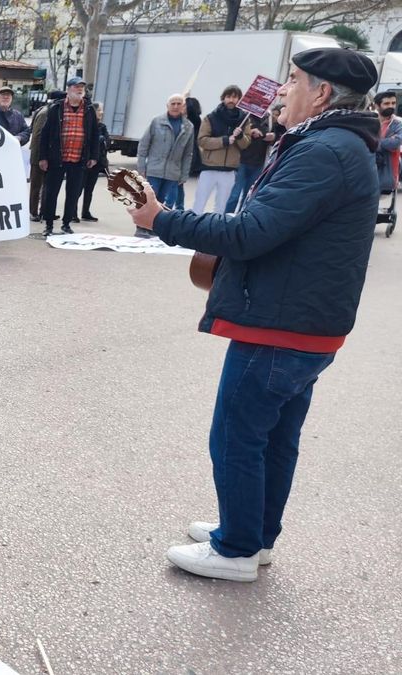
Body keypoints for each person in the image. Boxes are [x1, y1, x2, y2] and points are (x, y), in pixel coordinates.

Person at [128, 48, 380, 582]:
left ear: (323, 93)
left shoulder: (325, 150)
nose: (282, 90)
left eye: (292, 81)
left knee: (236, 435)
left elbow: (249, 233)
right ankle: (255, 534)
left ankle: (236, 548)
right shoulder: (336, 143)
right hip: (304, 321)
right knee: (273, 436)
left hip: (282, 323)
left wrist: (163, 218)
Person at [38, 77, 98, 236]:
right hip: (57, 158)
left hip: (78, 159)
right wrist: (43, 157)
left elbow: (94, 134)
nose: (79, 90)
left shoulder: (89, 109)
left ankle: (66, 224)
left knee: (73, 194)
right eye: (76, 87)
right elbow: (45, 134)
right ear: (69, 89)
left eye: (82, 88)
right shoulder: (56, 108)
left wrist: (93, 156)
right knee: (51, 193)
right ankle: (49, 225)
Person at [135, 93, 195, 233]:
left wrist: (184, 175)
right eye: (173, 103)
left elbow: (188, 153)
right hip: (154, 169)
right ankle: (141, 227)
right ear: (167, 106)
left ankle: (153, 227)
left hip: (173, 172)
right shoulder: (156, 122)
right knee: (149, 199)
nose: (175, 106)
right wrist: (141, 167)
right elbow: (144, 145)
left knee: (161, 202)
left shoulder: (188, 127)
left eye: (179, 103)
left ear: (183, 107)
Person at [193, 85, 251, 213]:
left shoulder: (244, 120)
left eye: (235, 97)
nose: (231, 100)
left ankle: (215, 231)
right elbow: (202, 140)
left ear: (239, 99)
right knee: (199, 203)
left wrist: (240, 136)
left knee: (221, 206)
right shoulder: (211, 118)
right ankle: (192, 229)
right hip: (209, 168)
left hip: (229, 171)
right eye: (228, 96)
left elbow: (246, 144)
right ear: (223, 98)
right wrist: (224, 141)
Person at [224, 110, 276, 213]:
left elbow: (275, 134)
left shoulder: (270, 118)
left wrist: (265, 135)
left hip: (259, 163)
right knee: (235, 194)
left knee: (248, 196)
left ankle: (239, 219)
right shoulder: (245, 116)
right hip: (242, 161)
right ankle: (226, 217)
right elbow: (236, 135)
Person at [28, 90, 65, 220]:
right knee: (36, 186)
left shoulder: (50, 111)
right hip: (39, 155)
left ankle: (45, 211)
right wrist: (41, 157)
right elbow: (38, 136)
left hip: (46, 155)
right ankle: (33, 212)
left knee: (47, 186)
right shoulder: (45, 113)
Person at [80, 101, 109, 223]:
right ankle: (72, 213)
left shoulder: (102, 126)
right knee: (78, 189)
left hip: (97, 162)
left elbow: (107, 141)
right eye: (99, 110)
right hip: (84, 161)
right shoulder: (85, 124)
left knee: (89, 189)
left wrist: (103, 139)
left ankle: (85, 212)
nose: (101, 112)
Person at [375, 90, 401, 193]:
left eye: (393, 103)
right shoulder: (369, 120)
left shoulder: (398, 123)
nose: (391, 106)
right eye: (386, 103)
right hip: (367, 170)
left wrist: (372, 142)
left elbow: (396, 143)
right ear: (377, 105)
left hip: (387, 173)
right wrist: (386, 141)